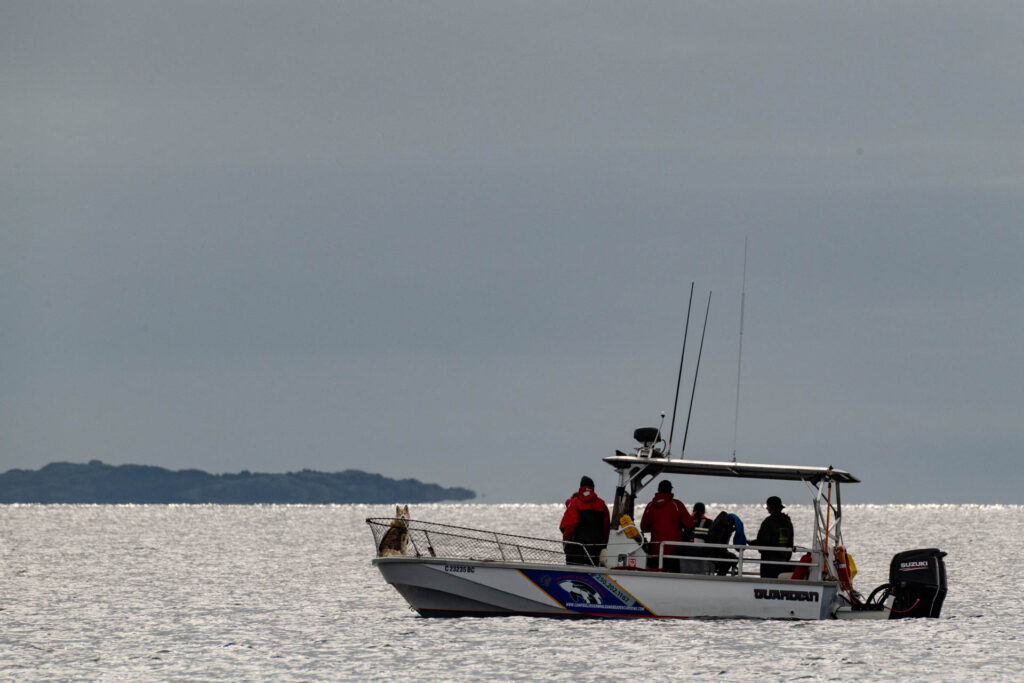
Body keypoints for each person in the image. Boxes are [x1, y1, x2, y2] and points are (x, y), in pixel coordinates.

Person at [640, 480, 694, 572]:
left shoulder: (650, 506)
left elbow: (643, 527)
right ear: (670, 490)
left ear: (658, 490)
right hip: (673, 552)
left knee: (656, 579)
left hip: (655, 552)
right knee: (674, 579)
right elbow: (690, 524)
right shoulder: (677, 505)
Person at [559, 476, 610, 566]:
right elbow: (606, 525)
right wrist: (605, 543)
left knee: (574, 573)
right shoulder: (601, 504)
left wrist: (566, 539)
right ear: (593, 487)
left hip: (578, 547)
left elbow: (572, 524)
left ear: (580, 487)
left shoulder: (575, 503)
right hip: (597, 548)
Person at [754, 495, 795, 578]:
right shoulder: (787, 522)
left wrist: (752, 543)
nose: (766, 508)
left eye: (767, 506)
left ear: (771, 507)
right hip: (783, 561)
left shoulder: (768, 522)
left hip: (769, 563)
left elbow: (762, 542)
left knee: (766, 584)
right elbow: (789, 543)